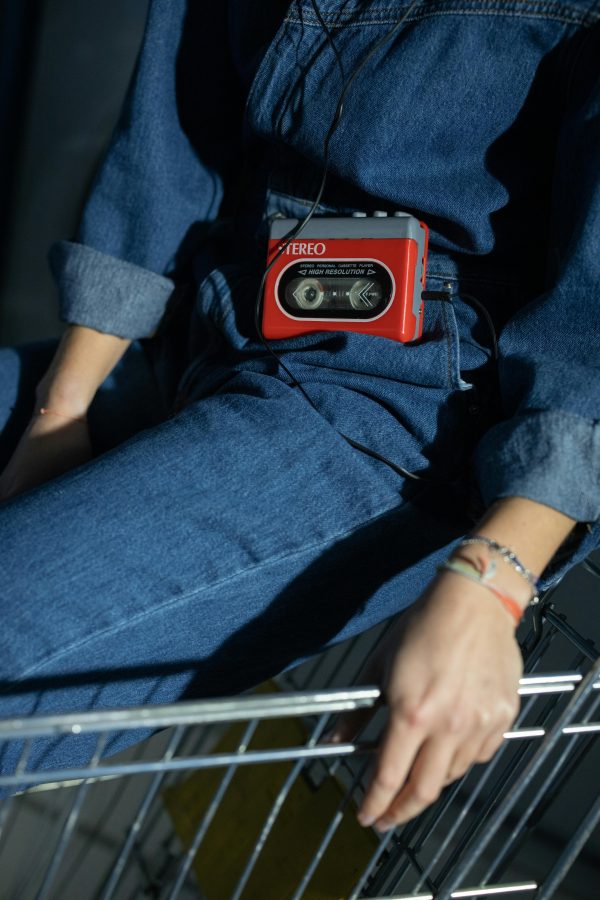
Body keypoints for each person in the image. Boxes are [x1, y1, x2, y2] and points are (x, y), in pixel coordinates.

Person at [0, 0, 598, 834]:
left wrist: (494, 576)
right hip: (198, 325)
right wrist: (58, 412)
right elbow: (169, 136)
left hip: (395, 405)